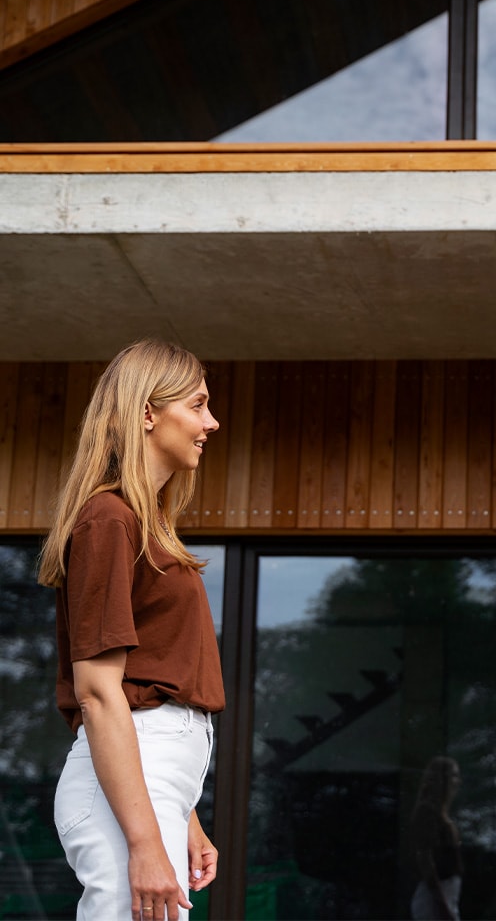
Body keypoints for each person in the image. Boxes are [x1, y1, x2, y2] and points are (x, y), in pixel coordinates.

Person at [38, 338, 226, 921]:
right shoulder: (107, 520)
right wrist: (145, 842)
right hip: (123, 787)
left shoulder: (144, 525)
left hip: (151, 782)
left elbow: (151, 682)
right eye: (197, 405)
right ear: (148, 412)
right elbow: (99, 693)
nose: (211, 422)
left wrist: (185, 814)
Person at [409, 756, 463, 920]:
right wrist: (441, 905)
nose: (457, 781)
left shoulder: (442, 814)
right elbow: (425, 860)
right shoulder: (427, 812)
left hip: (447, 896)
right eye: (453, 775)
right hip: (436, 901)